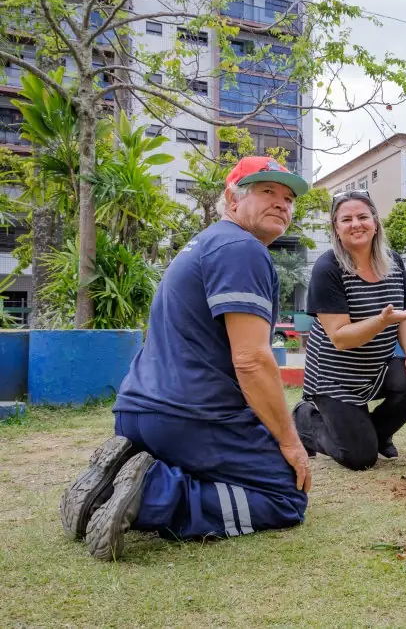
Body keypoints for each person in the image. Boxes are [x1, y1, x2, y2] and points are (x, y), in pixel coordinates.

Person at [60, 157, 312, 561]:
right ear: (232, 198)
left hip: (136, 415)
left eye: (289, 198)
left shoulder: (205, 243)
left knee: (243, 467)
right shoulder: (242, 249)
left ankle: (114, 484)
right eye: (268, 191)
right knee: (285, 494)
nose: (282, 203)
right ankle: (152, 493)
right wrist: (289, 442)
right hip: (189, 417)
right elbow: (251, 360)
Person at [291, 190, 406, 470]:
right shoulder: (328, 268)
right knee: (359, 458)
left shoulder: (393, 262)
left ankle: (378, 433)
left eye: (362, 217)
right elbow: (340, 338)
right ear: (336, 228)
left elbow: (405, 315)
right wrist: (381, 321)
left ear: (375, 222)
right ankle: (304, 420)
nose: (356, 224)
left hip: (376, 369)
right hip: (335, 378)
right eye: (346, 219)